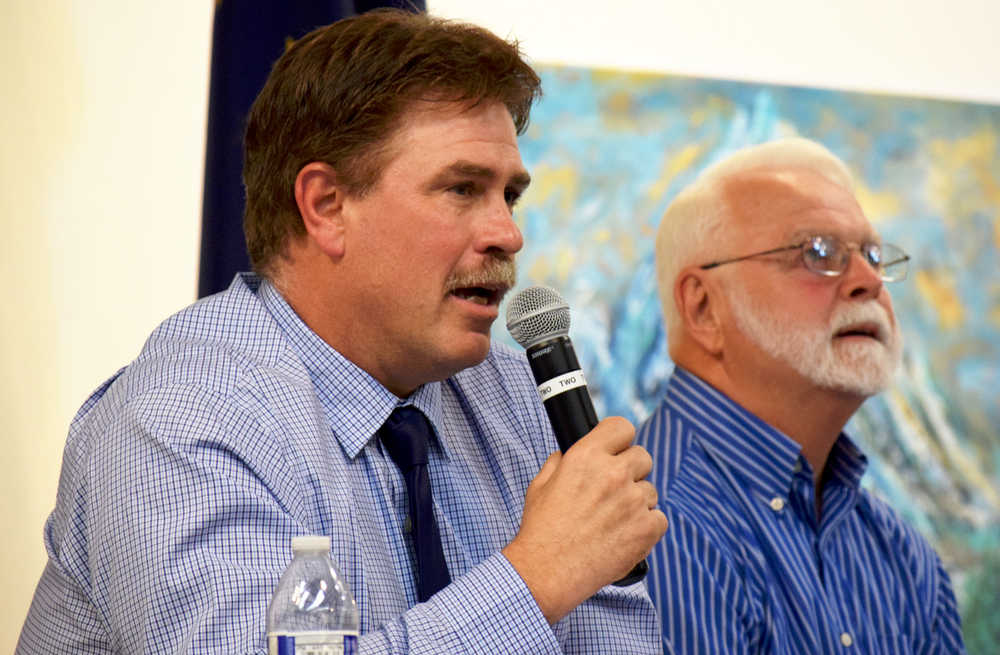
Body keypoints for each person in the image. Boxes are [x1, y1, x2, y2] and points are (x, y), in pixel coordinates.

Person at [18, 10, 667, 654]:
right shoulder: (184, 419)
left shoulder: (511, 393)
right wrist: (537, 574)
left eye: (509, 196)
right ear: (327, 207)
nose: (508, 233)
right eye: (463, 188)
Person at [638, 137, 967, 653]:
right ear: (703, 308)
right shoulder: (651, 522)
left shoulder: (899, 552)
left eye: (874, 255)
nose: (869, 281)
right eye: (818, 253)